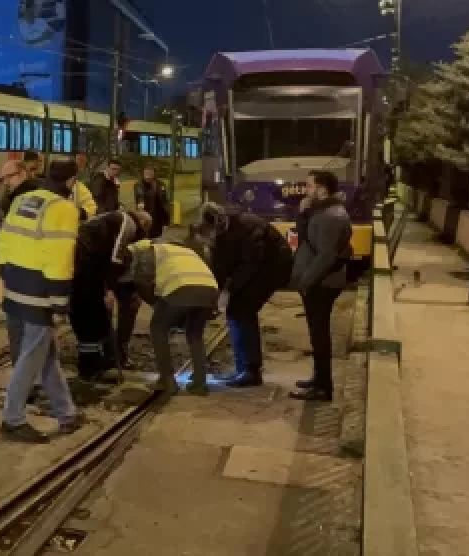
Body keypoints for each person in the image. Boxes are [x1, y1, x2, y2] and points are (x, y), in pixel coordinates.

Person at [0, 159, 84, 443]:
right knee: (32, 356)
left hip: (15, 285)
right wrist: (59, 301)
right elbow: (59, 258)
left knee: (45, 354)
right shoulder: (63, 208)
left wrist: (7, 274)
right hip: (38, 292)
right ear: (72, 181)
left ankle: (66, 412)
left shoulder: (23, 199)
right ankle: (13, 419)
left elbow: (4, 241)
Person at [197, 203, 293, 388]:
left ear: (213, 229)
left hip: (272, 267)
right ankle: (244, 368)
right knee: (236, 311)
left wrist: (231, 290)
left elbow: (251, 263)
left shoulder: (245, 226)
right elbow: (220, 269)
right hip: (256, 267)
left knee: (242, 311)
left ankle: (250, 371)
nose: (208, 246)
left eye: (208, 241)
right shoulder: (221, 236)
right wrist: (213, 297)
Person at [118, 239, 218, 395]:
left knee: (158, 328)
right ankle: (200, 383)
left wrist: (153, 303)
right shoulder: (185, 251)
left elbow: (144, 282)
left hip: (181, 287)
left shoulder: (149, 251)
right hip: (210, 290)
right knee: (195, 334)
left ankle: (167, 380)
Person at [289, 171, 353, 402]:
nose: (306, 190)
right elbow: (306, 237)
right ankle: (318, 379)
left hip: (322, 283)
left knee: (320, 335)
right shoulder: (322, 212)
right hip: (318, 281)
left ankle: (324, 387)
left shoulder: (332, 216)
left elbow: (326, 256)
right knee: (317, 335)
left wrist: (306, 281)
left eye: (309, 186)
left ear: (322, 189)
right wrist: (303, 212)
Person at [70, 207, 149, 381]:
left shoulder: (107, 219)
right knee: (94, 320)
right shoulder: (127, 223)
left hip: (79, 267)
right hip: (87, 270)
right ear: (141, 223)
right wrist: (110, 290)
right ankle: (94, 368)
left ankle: (91, 367)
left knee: (86, 322)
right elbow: (115, 258)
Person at [134, 166, 172, 238]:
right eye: (146, 173)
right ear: (143, 173)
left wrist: (166, 221)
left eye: (150, 173)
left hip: (158, 219)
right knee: (145, 239)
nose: (148, 175)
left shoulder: (161, 185)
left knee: (157, 238)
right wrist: (141, 203)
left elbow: (165, 203)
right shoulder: (139, 185)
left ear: (154, 173)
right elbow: (139, 195)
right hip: (145, 218)